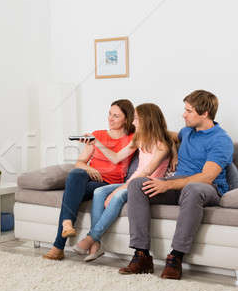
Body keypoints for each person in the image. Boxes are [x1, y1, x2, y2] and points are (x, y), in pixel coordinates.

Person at [119, 90, 233, 280]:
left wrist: (168, 186)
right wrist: (171, 150)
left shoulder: (220, 140)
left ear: (204, 114)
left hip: (207, 188)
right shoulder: (187, 132)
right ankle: (142, 255)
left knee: (192, 188)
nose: (183, 114)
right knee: (137, 184)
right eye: (185, 109)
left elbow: (206, 177)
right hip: (178, 184)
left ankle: (176, 257)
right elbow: (164, 134)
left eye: (189, 111)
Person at [74, 103, 176, 262]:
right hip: (134, 180)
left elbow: (146, 172)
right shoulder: (140, 138)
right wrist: (97, 143)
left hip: (147, 184)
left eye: (136, 119)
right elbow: (116, 157)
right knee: (99, 192)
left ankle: (91, 237)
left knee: (117, 196)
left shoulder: (162, 145)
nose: (133, 123)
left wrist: (119, 189)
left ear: (147, 120)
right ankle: (96, 243)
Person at [42, 99, 136, 260]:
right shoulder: (98, 135)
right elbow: (80, 162)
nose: (110, 119)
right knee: (75, 174)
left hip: (108, 184)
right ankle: (67, 225)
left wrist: (175, 154)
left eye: (116, 116)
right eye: (109, 114)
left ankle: (58, 246)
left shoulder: (133, 138)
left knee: (70, 190)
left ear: (127, 119)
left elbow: (162, 134)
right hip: (88, 179)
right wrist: (89, 168)